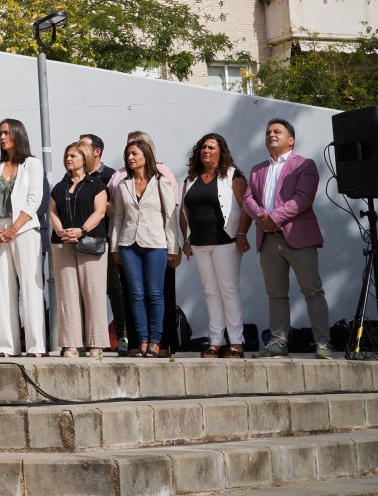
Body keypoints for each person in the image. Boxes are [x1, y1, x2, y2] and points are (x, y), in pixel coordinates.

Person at [243, 118, 331, 359]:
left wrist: (274, 217)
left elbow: (303, 198)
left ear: (290, 140)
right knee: (276, 294)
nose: (271, 134)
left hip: (299, 238)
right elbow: (247, 199)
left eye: (277, 131)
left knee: (312, 291)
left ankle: (322, 343)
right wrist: (263, 218)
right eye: (268, 131)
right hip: (268, 240)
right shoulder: (257, 169)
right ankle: (278, 342)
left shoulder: (304, 165)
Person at [181, 133, 251, 358]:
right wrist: (186, 239)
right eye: (203, 147)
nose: (206, 151)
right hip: (200, 244)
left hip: (226, 242)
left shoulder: (233, 175)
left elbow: (247, 207)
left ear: (221, 152)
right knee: (211, 292)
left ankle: (236, 343)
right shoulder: (191, 178)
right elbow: (184, 212)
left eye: (211, 147)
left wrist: (241, 233)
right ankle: (216, 342)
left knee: (229, 290)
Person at [0, 119, 47, 357]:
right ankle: (6, 346)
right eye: (0, 132)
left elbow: (34, 199)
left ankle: (35, 345)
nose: (2, 136)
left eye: (7, 132)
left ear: (18, 134)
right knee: (2, 288)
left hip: (25, 230)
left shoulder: (32, 164)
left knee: (31, 287)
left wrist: (14, 228)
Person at [110, 140, 180, 357]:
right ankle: (142, 340)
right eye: (128, 154)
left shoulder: (161, 182)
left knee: (155, 294)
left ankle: (156, 341)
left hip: (156, 244)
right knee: (136, 295)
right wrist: (115, 246)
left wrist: (173, 247)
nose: (131, 158)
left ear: (146, 155)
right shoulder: (124, 185)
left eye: (135, 153)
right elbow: (119, 217)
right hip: (128, 245)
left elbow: (170, 217)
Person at [49, 142, 110, 358]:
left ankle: (96, 344)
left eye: (73, 155)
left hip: (90, 244)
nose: (69, 159)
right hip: (63, 244)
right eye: (67, 155)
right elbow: (53, 212)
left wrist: (81, 230)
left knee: (93, 294)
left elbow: (100, 212)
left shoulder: (97, 185)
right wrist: (61, 230)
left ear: (84, 158)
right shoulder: (59, 186)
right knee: (67, 295)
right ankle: (71, 344)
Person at [82, 133, 131, 355]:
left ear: (97, 151)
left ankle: (122, 336)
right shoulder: (74, 176)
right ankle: (88, 338)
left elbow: (118, 211)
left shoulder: (110, 175)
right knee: (86, 291)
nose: (78, 149)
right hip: (81, 243)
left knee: (113, 289)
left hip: (106, 240)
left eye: (83, 145)